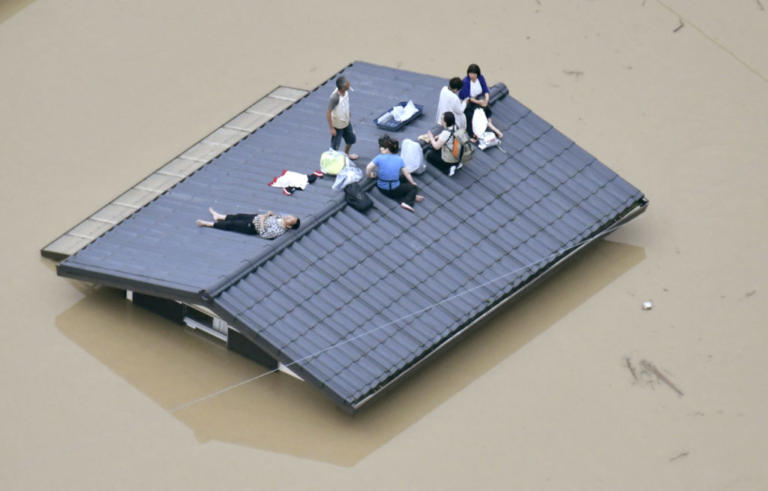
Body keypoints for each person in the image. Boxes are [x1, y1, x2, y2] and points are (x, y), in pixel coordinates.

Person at [366, 135, 424, 212]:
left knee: (403, 179)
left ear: (388, 149)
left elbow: (368, 168)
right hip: (393, 189)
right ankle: (407, 202)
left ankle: (411, 196)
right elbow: (407, 173)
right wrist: (413, 183)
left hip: (381, 187)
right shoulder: (399, 159)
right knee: (413, 187)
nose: (381, 148)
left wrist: (369, 175)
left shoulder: (379, 157)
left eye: (383, 147)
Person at [458, 64, 503, 140]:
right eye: (470, 73)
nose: (472, 75)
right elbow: (468, 97)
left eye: (474, 74)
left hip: (478, 99)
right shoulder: (466, 81)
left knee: (486, 110)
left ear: (477, 74)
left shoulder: (480, 78)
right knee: (470, 116)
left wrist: (486, 100)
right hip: (468, 102)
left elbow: (486, 90)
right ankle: (472, 134)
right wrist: (480, 102)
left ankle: (491, 125)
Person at [196, 208, 299, 239]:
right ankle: (219, 216)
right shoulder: (281, 218)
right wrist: (270, 214)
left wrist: (263, 220)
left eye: (290, 219)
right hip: (255, 218)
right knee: (238, 216)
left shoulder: (279, 230)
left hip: (252, 227)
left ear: (289, 226)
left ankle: (208, 224)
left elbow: (264, 234)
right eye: (290, 216)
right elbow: (273, 217)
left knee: (232, 224)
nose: (288, 217)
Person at [425, 111, 467, 177]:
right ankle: (457, 163)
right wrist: (438, 136)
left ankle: (448, 168)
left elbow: (436, 146)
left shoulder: (446, 133)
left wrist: (431, 137)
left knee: (429, 154)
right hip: (459, 154)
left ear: (445, 122)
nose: (440, 120)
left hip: (450, 157)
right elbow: (449, 136)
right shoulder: (456, 126)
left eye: (442, 119)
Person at [326, 76, 359, 160]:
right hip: (337, 126)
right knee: (335, 146)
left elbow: (345, 103)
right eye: (347, 84)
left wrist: (348, 112)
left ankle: (346, 154)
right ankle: (332, 161)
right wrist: (331, 128)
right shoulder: (335, 98)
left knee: (351, 139)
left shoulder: (346, 92)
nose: (349, 85)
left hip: (346, 122)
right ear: (343, 87)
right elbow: (328, 112)